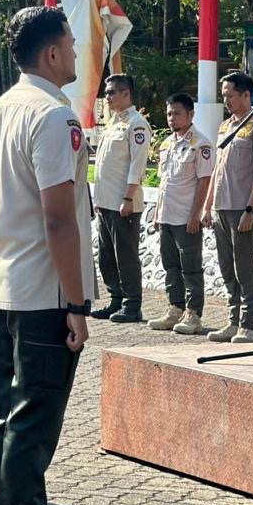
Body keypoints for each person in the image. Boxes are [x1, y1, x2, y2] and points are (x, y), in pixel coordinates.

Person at [0, 6, 93, 505]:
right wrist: (76, 301)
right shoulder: (54, 116)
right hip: (41, 295)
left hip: (1, 286)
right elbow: (58, 217)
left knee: (6, 421)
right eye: (71, 44)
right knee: (30, 431)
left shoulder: (4, 106)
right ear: (51, 54)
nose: (76, 53)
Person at [202, 72, 253, 344]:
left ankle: (248, 324)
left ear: (246, 94)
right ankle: (232, 321)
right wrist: (207, 206)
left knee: (244, 268)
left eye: (230, 95)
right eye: (223, 96)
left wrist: (251, 209)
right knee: (226, 267)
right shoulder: (224, 127)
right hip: (221, 207)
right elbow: (217, 170)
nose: (226, 100)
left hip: (242, 208)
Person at [148, 92, 214, 335]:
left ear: (190, 114)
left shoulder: (200, 144)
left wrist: (196, 215)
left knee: (191, 268)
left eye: (176, 113)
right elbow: (163, 183)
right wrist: (157, 213)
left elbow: (204, 182)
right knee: (171, 266)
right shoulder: (167, 144)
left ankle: (193, 313)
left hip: (186, 217)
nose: (171, 118)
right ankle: (174, 308)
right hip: (166, 215)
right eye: (168, 114)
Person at [91, 73, 151, 323]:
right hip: (105, 202)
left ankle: (131, 304)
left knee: (125, 256)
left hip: (123, 202)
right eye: (107, 93)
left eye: (111, 92)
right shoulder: (113, 123)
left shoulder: (136, 124)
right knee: (107, 256)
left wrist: (128, 197)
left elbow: (137, 166)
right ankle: (115, 299)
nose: (107, 97)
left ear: (126, 93)